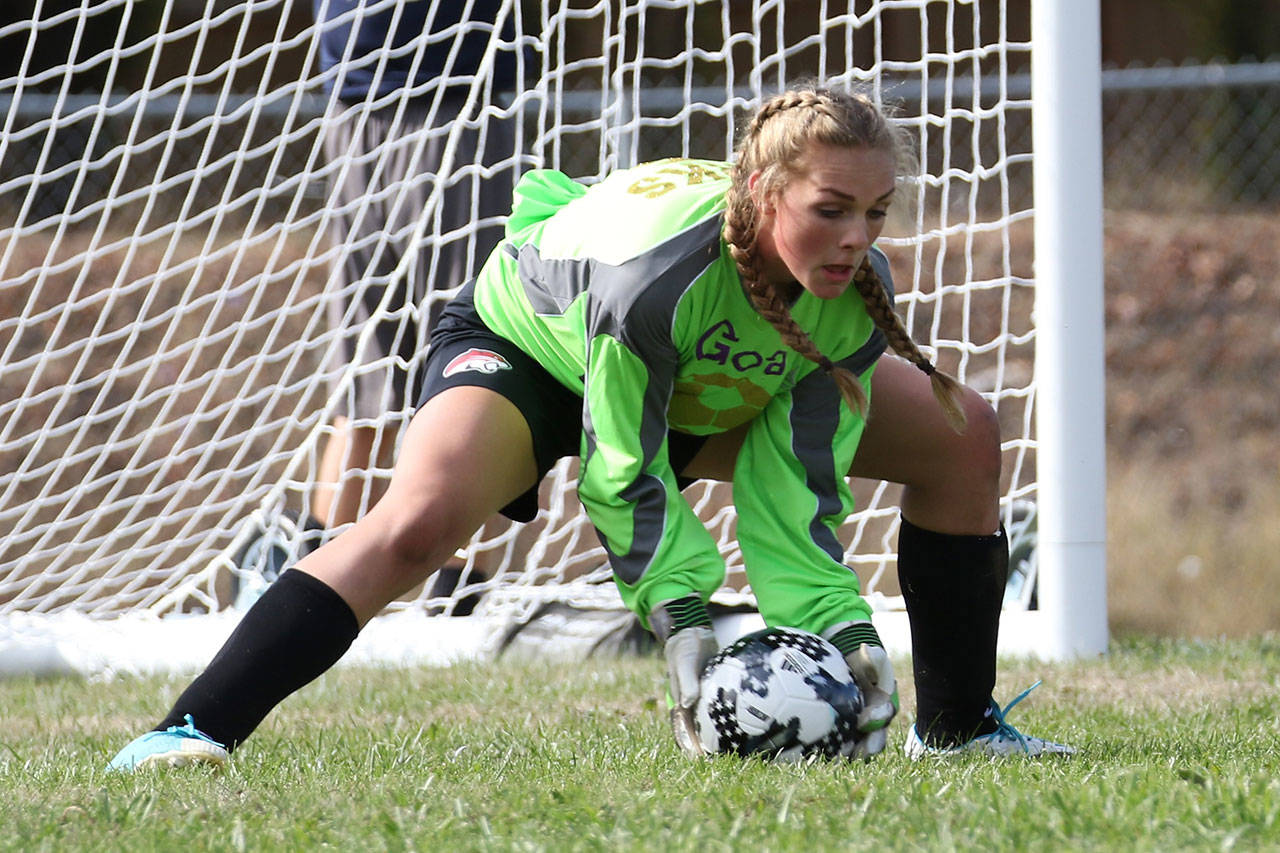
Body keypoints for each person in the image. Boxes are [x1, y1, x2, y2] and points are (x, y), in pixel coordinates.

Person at [109, 84, 1073, 771]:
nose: (859, 236)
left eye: (875, 210)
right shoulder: (654, 277)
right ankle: (192, 729)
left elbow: (798, 472)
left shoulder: (853, 295)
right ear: (766, 196)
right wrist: (685, 622)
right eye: (831, 210)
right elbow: (622, 464)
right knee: (416, 524)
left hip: (696, 382)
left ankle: (957, 731)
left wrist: (838, 626)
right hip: (534, 347)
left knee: (965, 432)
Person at [231, 0, 522, 592]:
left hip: (457, 96)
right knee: (364, 376)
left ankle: (459, 600)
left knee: (478, 367)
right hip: (352, 97)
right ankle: (309, 587)